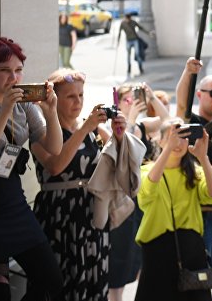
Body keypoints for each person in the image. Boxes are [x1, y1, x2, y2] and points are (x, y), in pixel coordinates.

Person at [32, 68, 144, 300]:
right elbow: (56, 167)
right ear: (55, 99)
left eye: (81, 95)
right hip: (60, 213)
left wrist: (119, 134)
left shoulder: (93, 129)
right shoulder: (41, 131)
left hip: (92, 213)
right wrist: (85, 129)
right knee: (65, 279)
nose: (78, 101)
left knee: (93, 278)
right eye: (71, 96)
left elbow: (120, 163)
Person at [0, 37, 64, 300]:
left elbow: (54, 147)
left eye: (18, 70)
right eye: (4, 70)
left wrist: (51, 111)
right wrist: (5, 109)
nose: (13, 77)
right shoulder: (11, 104)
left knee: (50, 280)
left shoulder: (23, 104)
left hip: (11, 198)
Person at [134, 118, 212, 301]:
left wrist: (203, 157)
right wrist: (167, 149)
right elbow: (148, 189)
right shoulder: (147, 170)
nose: (178, 143)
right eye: (173, 136)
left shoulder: (194, 171)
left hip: (191, 248)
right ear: (160, 141)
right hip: (157, 249)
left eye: (183, 137)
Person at [107, 83, 171, 301]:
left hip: (145, 200)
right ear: (117, 102)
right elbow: (120, 147)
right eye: (127, 99)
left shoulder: (143, 125)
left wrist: (151, 98)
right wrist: (131, 118)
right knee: (119, 262)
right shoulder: (110, 126)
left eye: (135, 98)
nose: (132, 102)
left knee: (143, 260)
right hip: (122, 201)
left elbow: (166, 121)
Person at [175, 59, 212, 301]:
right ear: (199, 94)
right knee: (196, 277)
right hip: (198, 215)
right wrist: (188, 72)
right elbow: (181, 104)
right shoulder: (191, 122)